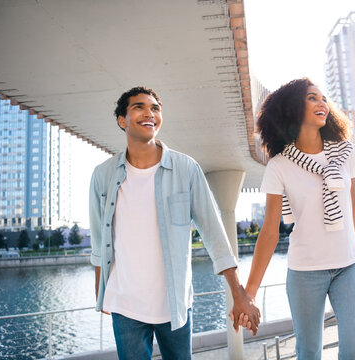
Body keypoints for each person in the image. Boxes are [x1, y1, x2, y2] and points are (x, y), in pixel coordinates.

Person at [89, 86, 260, 360]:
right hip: (124, 305)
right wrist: (101, 295)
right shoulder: (103, 175)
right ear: (122, 120)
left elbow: (214, 232)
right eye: (139, 107)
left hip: (175, 305)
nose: (150, 113)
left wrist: (238, 293)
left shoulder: (186, 169)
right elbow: (99, 241)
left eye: (155, 108)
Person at [238, 78, 355, 359]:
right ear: (292, 108)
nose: (321, 103)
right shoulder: (279, 166)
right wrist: (249, 292)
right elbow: (270, 232)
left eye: (323, 98)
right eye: (312, 98)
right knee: (308, 352)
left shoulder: (346, 152)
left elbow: (354, 210)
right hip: (305, 272)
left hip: (350, 266)